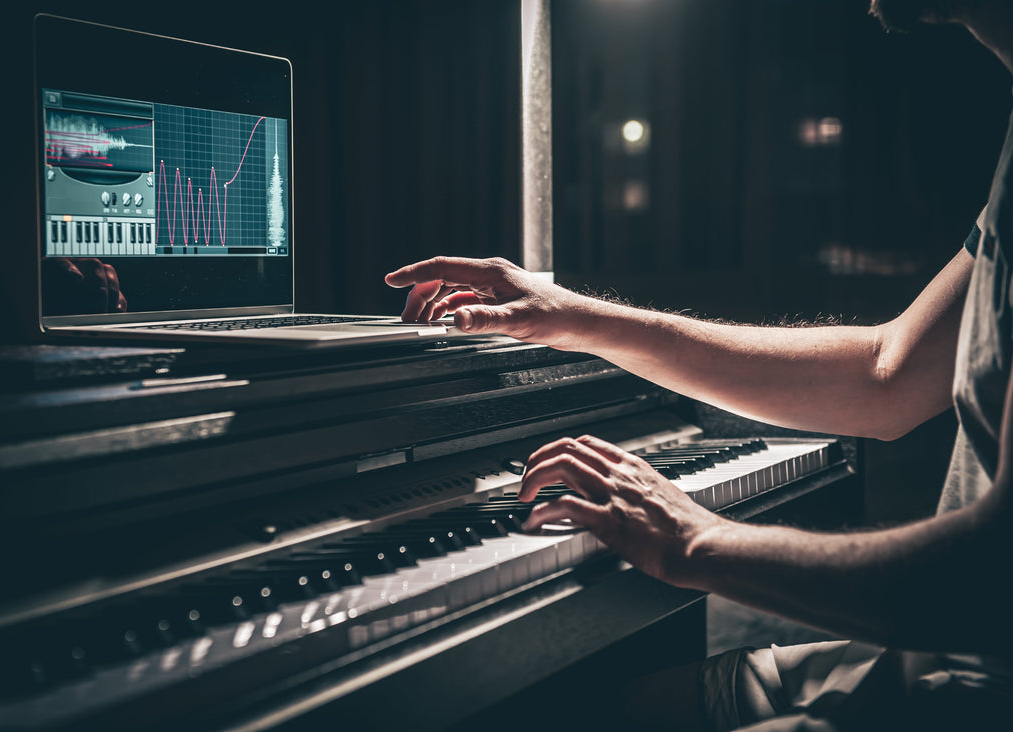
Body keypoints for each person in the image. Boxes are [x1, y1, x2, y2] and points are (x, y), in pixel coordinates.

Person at [384, 1, 1012, 729]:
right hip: (925, 660)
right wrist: (575, 316)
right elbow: (888, 373)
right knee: (594, 710)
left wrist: (697, 541)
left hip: (976, 693)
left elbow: (988, 581)